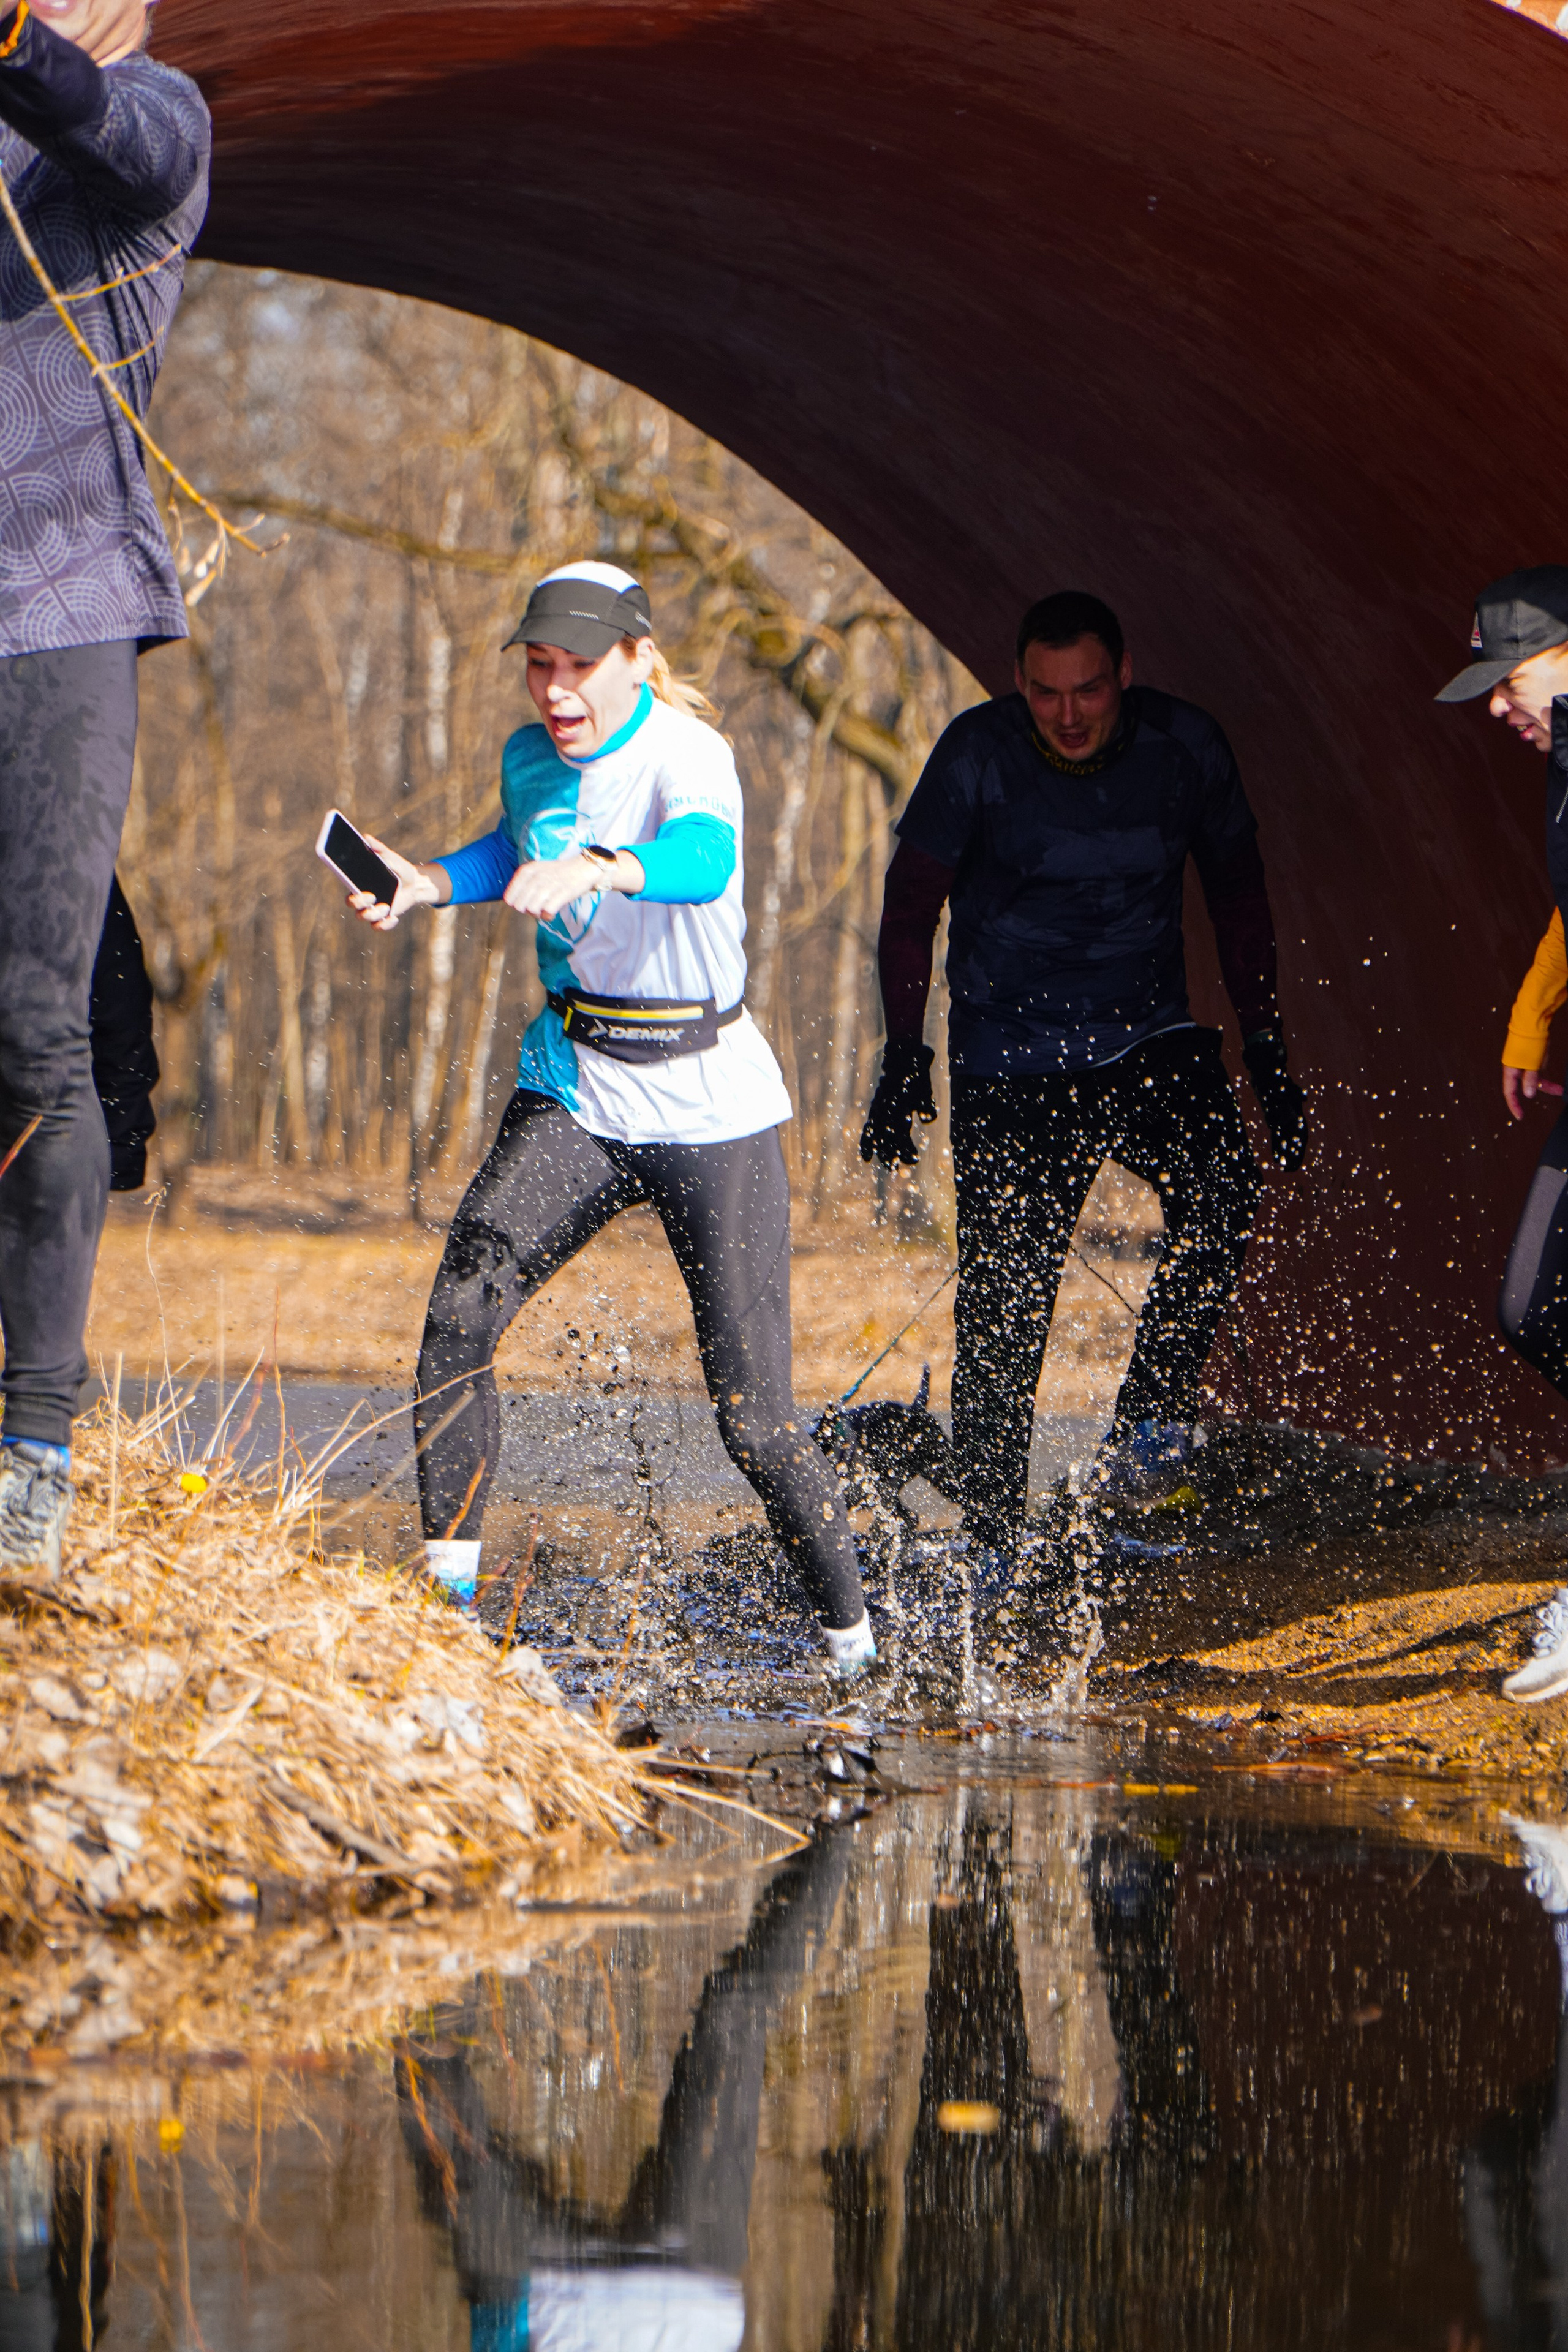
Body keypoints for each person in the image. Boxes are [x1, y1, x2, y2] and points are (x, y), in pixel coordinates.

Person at [348, 560, 875, 1678]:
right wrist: (429, 881)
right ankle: (448, 1627)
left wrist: (601, 864)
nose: (556, 689)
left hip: (707, 1097)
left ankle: (855, 1647)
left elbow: (704, 860)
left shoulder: (692, 756)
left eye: (579, 665)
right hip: (579, 1080)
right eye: (540, 666)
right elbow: (513, 848)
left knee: (756, 1424)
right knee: (459, 1317)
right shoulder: (531, 757)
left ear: (638, 658)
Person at [860, 590, 1305, 1561]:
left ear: (1124, 675)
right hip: (1008, 1056)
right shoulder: (978, 754)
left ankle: (1147, 1434)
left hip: (1147, 1038)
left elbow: (1238, 893)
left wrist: (1266, 1046)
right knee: (1007, 1300)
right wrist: (904, 1055)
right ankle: (990, 1535)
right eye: (1047, 692)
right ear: (1020, 684)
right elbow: (909, 907)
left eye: (1090, 690)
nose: (1069, 714)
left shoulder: (1186, 748)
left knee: (1224, 1189)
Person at [0, 0, 209, 1578]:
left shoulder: (152, 133)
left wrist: (17, 41)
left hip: (57, 616)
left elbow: (89, 107)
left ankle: (34, 1451)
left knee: (34, 1028)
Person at [1436, 565, 1568, 1702]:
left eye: (1507, 679)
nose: (1494, 706)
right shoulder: (1564, 765)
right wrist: (1531, 1016)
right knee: (1532, 1308)